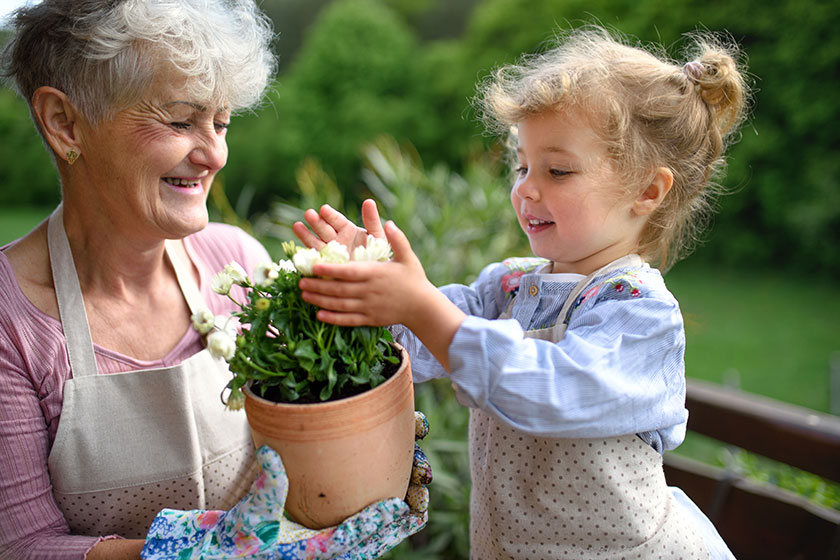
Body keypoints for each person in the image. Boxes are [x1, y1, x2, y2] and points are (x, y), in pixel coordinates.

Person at [295, 26, 750, 559]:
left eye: (557, 170)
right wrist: (374, 285)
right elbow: (416, 348)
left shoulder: (640, 315)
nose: (527, 187)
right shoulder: (509, 286)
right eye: (521, 165)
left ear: (647, 190)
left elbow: (553, 392)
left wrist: (421, 305)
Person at [0, 1, 426, 559]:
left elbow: (309, 448)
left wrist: (366, 330)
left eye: (221, 123)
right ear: (65, 122)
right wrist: (194, 551)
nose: (215, 154)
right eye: (180, 121)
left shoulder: (235, 260)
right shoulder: (12, 319)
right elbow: (20, 545)